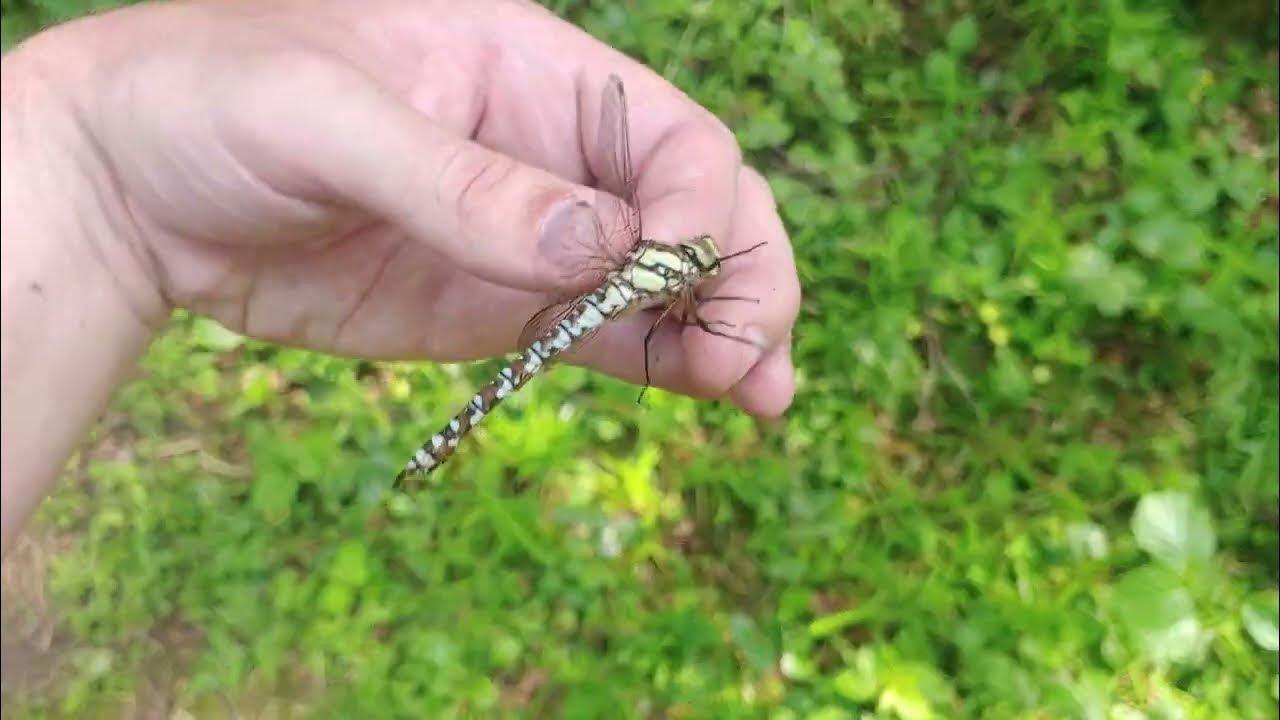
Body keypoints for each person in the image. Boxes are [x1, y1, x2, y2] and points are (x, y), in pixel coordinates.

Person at [0, 0, 801, 554]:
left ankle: (439, 446)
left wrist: (95, 171)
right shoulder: (654, 267)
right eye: (695, 260)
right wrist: (95, 167)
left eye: (698, 264)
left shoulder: (658, 276)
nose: (698, 262)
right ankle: (443, 444)